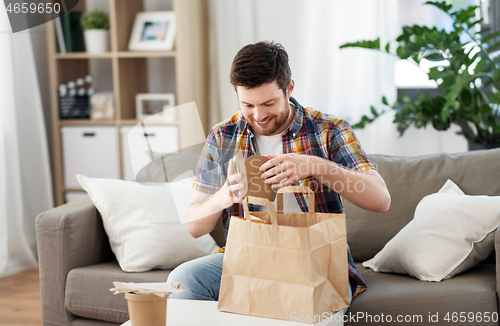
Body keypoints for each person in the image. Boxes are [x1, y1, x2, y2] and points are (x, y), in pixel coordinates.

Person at [167, 41, 391, 313]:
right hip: (248, 257)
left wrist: (315, 166)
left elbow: (381, 199)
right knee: (184, 280)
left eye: (269, 103)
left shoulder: (328, 130)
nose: (259, 115)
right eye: (247, 104)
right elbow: (195, 226)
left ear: (289, 88)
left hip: (317, 261)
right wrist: (224, 196)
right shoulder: (223, 136)